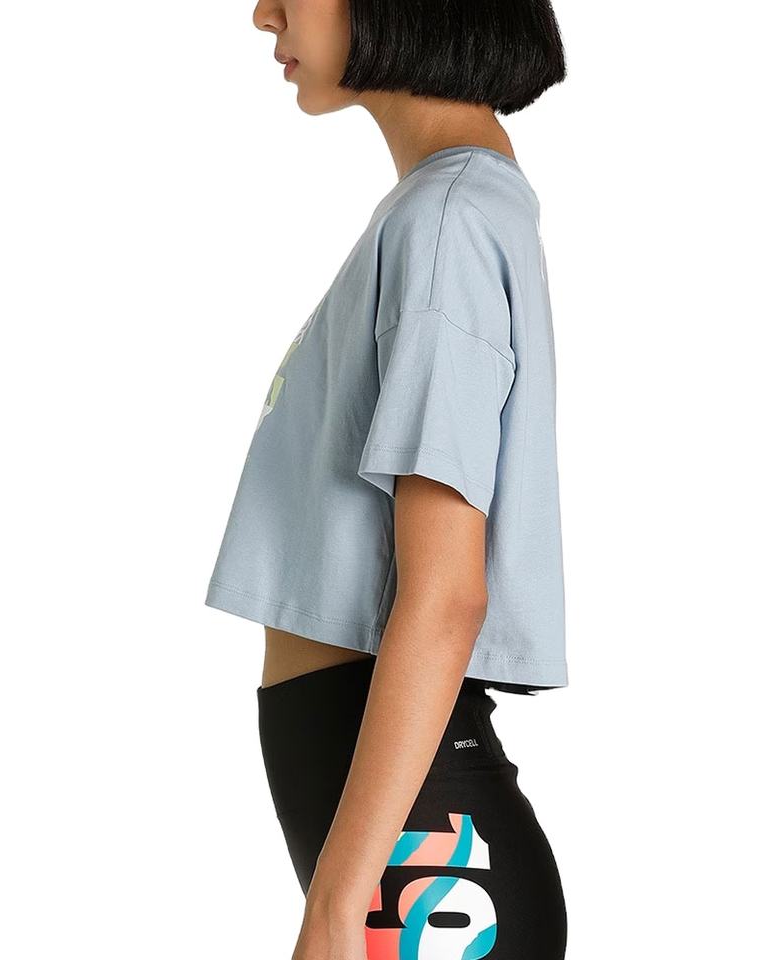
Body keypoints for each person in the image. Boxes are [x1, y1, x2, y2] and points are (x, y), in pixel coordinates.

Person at [205, 1, 570, 957]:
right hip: (413, 856)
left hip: (426, 879)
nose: (263, 13)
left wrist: (335, 911)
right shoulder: (448, 211)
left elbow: (446, 595)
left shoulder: (446, 223)